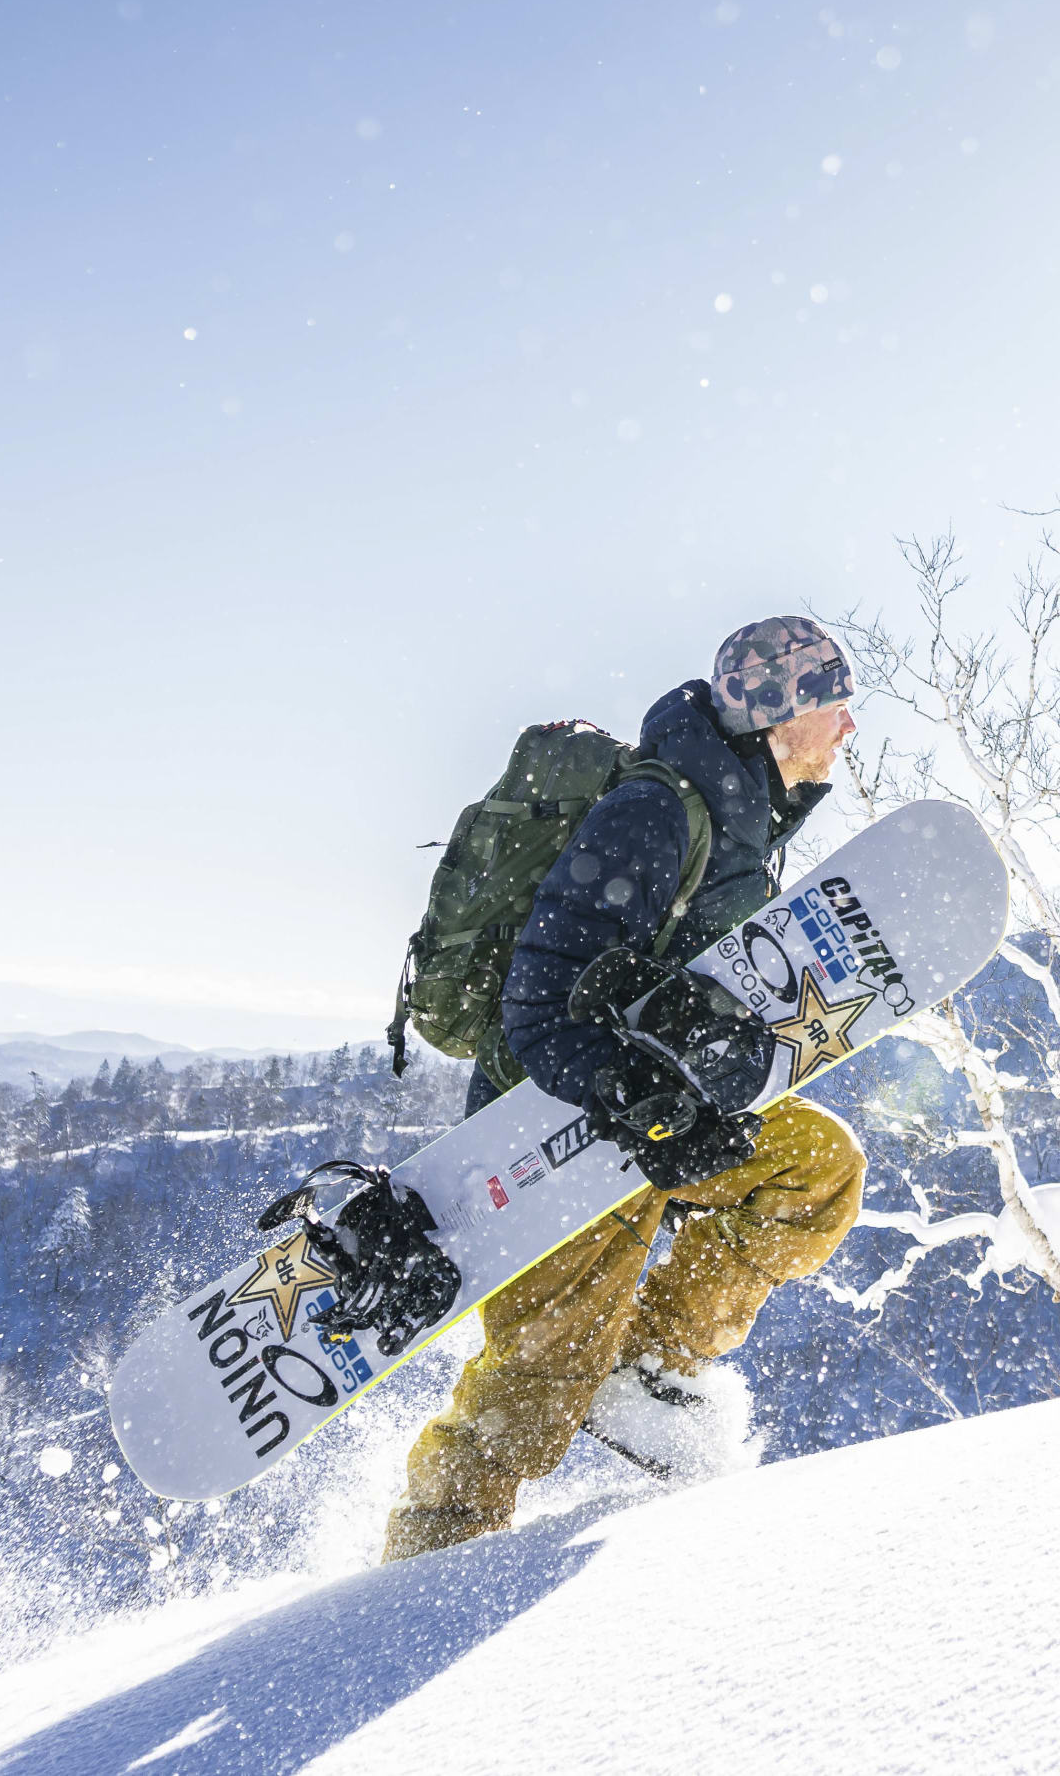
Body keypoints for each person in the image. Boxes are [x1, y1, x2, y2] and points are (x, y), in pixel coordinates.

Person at [378, 615, 869, 1563]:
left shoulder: (743, 823)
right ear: (781, 720)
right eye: (834, 708)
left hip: (656, 1126)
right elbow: (541, 1001)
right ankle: (416, 1577)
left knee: (816, 1172)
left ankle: (645, 1367)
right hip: (550, 1136)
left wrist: (685, 1099)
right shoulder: (655, 813)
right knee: (529, 1401)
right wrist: (643, 1103)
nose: (848, 729)